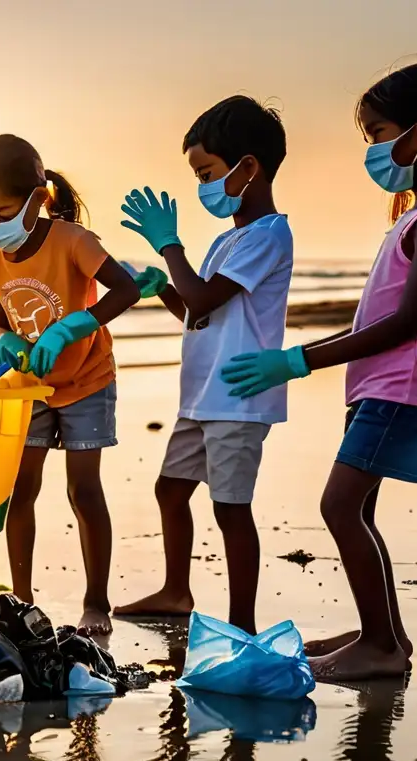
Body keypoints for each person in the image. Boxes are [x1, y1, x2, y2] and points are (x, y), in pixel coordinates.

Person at [220, 58, 417, 680]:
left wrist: (296, 360)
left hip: (403, 389)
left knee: (339, 507)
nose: (373, 151)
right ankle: (387, 636)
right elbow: (377, 320)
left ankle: (380, 645)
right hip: (383, 387)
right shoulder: (416, 214)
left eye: (379, 134)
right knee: (358, 510)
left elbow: (406, 324)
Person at [113, 96, 293, 636]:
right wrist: (159, 287)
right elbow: (197, 307)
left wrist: (169, 246)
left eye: (207, 173)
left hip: (237, 396)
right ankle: (176, 592)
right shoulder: (228, 238)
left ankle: (243, 624)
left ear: (249, 167)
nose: (202, 186)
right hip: (202, 396)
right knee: (171, 490)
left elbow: (207, 298)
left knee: (231, 508)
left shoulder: (268, 235)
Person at [0, 134, 145, 636]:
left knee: (84, 491)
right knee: (22, 489)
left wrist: (75, 325)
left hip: (86, 378)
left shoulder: (72, 241)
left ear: (38, 198)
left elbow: (126, 288)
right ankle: (21, 602)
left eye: (2, 211)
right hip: (31, 387)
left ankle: (96, 604)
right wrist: (2, 339)